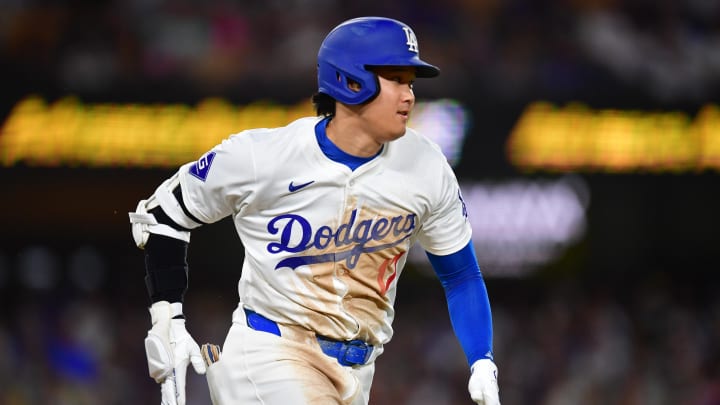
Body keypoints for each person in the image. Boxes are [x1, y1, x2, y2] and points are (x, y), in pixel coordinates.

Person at [129, 16, 500, 405]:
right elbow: (162, 213)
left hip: (357, 371)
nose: (408, 96)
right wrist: (166, 318)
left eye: (410, 83)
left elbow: (461, 276)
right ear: (350, 82)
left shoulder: (426, 165)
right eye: (395, 80)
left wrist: (482, 360)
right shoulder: (264, 155)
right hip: (268, 354)